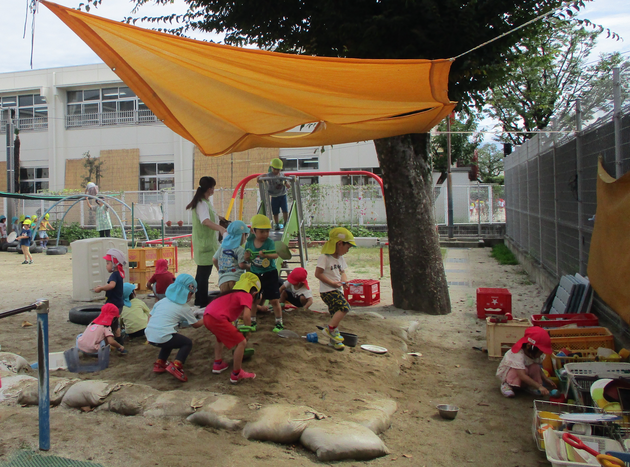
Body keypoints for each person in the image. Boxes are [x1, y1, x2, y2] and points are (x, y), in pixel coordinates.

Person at [145, 274, 204, 382]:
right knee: (187, 343)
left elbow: (150, 315)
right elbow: (196, 325)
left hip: (149, 335)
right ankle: (177, 365)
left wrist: (149, 331)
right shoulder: (184, 308)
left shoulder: (162, 301)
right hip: (163, 336)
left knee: (168, 339)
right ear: (188, 293)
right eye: (191, 294)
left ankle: (160, 363)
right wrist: (206, 319)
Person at [204, 272, 260, 383]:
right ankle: (236, 373)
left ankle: (218, 364)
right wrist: (248, 330)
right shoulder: (246, 295)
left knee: (219, 338)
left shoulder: (231, 294)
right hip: (217, 318)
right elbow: (246, 316)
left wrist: (234, 328)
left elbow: (230, 313)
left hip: (207, 316)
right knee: (242, 342)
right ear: (254, 293)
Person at [186, 176, 227, 308]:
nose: (214, 189)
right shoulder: (201, 203)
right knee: (203, 275)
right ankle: (201, 302)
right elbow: (205, 221)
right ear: (209, 189)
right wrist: (220, 228)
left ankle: (200, 300)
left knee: (203, 274)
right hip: (205, 244)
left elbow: (209, 216)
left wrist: (219, 218)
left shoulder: (205, 201)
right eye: (213, 187)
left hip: (208, 243)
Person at [314, 227, 356, 351]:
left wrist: (344, 281)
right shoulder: (325, 257)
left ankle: (334, 341)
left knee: (334, 315)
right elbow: (318, 274)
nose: (348, 251)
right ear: (339, 243)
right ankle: (330, 329)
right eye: (347, 247)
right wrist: (332, 283)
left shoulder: (340, 258)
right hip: (327, 291)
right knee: (344, 307)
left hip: (337, 290)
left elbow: (342, 272)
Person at [244, 214, 283, 332]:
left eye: (267, 231)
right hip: (255, 274)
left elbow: (276, 254)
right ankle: (253, 321)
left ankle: (279, 322)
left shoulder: (269, 242)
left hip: (269, 273)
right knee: (254, 299)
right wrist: (247, 257)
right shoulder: (249, 242)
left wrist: (266, 255)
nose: (265, 234)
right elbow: (247, 258)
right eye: (261, 232)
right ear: (253, 230)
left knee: (274, 299)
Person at [496, 326, 556, 398]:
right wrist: (539, 386)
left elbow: (538, 369)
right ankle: (507, 385)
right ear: (528, 346)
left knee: (536, 367)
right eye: (540, 352)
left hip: (525, 372)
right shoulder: (517, 354)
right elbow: (522, 375)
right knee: (521, 370)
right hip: (514, 373)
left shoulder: (534, 355)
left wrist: (546, 379)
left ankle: (529, 386)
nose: (541, 354)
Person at [213, 220, 250, 293]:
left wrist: (218, 268)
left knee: (226, 301)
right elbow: (241, 265)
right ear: (242, 235)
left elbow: (214, 259)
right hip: (236, 280)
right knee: (236, 301)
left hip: (222, 281)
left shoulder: (222, 248)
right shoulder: (240, 249)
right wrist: (250, 266)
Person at [259, 158, 291, 230]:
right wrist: (259, 178)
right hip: (274, 196)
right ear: (271, 168)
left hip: (282, 195)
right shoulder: (269, 175)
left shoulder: (282, 175)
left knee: (285, 210)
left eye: (278, 170)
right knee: (275, 211)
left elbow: (285, 181)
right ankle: (276, 224)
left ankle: (286, 222)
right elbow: (261, 177)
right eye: (275, 169)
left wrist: (287, 184)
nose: (276, 171)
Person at [94, 249, 126, 317]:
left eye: (108, 263)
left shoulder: (114, 275)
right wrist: (103, 287)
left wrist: (101, 289)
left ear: (115, 264)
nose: (106, 266)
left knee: (105, 319)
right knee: (115, 321)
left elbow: (111, 286)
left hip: (112, 305)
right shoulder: (119, 274)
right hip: (119, 304)